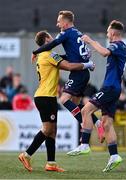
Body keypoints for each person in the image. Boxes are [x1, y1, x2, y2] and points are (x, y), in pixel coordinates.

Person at [18, 31, 94, 172]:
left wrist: (80, 58)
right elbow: (69, 66)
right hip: (45, 97)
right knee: (47, 130)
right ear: (47, 39)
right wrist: (87, 64)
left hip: (46, 97)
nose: (53, 38)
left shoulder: (43, 55)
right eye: (50, 37)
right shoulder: (49, 55)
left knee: (52, 131)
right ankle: (26, 155)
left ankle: (51, 163)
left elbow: (66, 58)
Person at [31, 10, 103, 142]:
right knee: (76, 104)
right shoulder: (77, 33)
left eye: (59, 21)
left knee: (64, 99)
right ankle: (98, 124)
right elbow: (74, 56)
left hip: (78, 73)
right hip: (83, 73)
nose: (57, 24)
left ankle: (83, 125)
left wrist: (35, 51)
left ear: (65, 22)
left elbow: (53, 45)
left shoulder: (65, 33)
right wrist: (88, 63)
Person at [67, 20, 126, 172]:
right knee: (107, 123)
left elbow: (105, 52)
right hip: (114, 89)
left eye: (108, 32)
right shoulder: (120, 48)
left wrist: (90, 41)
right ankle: (114, 156)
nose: (107, 34)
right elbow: (105, 52)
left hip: (110, 88)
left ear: (113, 33)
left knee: (85, 111)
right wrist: (92, 51)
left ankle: (85, 144)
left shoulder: (118, 45)